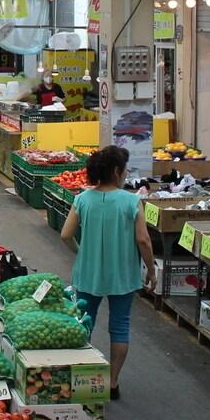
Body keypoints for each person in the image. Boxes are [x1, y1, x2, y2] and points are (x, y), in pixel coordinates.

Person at [59, 146, 156, 400]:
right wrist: (151, 269)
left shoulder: (82, 199)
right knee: (120, 326)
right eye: (124, 169)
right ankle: (112, 382)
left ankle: (82, 377)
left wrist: (80, 251)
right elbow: (143, 240)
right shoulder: (131, 201)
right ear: (116, 171)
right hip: (123, 275)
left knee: (83, 323)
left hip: (88, 273)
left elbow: (65, 234)